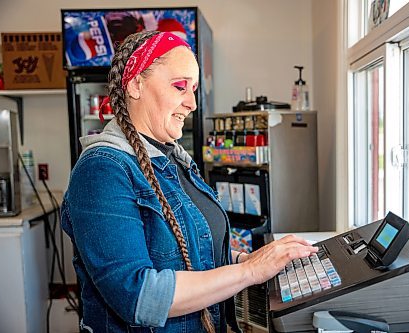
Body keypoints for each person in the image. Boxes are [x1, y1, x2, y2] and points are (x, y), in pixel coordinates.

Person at [61, 31, 317, 333]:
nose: (192, 103)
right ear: (135, 85)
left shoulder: (174, 159)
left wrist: (248, 260)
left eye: (194, 89)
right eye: (179, 86)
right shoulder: (102, 170)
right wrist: (249, 271)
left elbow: (194, 251)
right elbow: (138, 295)